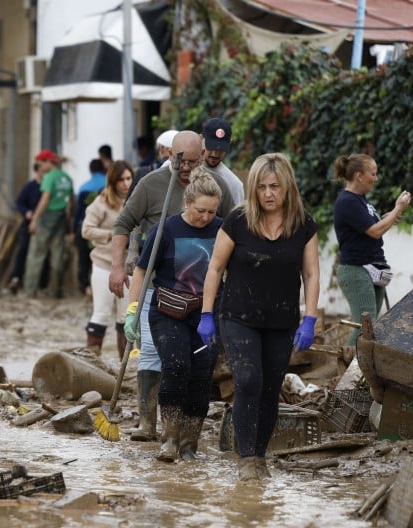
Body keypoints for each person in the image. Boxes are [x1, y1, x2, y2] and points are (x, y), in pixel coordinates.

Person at [199, 153, 320, 482]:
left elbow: (311, 274)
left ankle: (261, 454)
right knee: (249, 381)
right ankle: (247, 457)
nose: (268, 193)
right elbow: (215, 268)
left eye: (275, 187)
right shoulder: (238, 221)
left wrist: (309, 318)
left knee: (269, 389)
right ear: (253, 188)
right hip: (238, 316)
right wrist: (206, 313)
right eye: (262, 187)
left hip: (281, 321)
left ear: (287, 188)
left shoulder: (303, 226)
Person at [110, 130, 236, 441]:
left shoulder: (215, 186)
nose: (188, 166)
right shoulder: (152, 184)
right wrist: (117, 267)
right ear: (170, 155)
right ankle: (148, 423)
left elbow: (232, 228)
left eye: (195, 160)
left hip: (202, 293)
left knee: (194, 363)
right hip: (158, 282)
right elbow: (124, 223)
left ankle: (184, 430)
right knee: (153, 354)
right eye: (183, 160)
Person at [126, 168, 223, 462]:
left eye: (211, 212)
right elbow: (142, 270)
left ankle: (190, 443)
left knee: (202, 374)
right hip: (167, 311)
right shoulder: (166, 229)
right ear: (186, 202)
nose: (205, 217)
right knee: (177, 365)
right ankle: (169, 439)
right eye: (200, 210)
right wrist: (132, 311)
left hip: (205, 313)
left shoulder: (222, 230)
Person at [332, 153, 411, 345]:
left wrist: (392, 214)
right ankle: (349, 371)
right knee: (363, 327)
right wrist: (398, 209)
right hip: (356, 269)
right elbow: (375, 232)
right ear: (359, 175)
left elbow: (374, 227)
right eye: (373, 174)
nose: (375, 178)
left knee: (371, 326)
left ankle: (360, 371)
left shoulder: (360, 200)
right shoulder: (347, 201)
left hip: (371, 268)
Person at [81, 159, 134, 356]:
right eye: (121, 180)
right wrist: (111, 235)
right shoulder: (101, 203)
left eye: (129, 178)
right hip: (104, 263)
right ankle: (91, 360)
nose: (126, 183)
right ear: (113, 181)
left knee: (126, 315)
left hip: (129, 265)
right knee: (101, 313)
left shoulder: (136, 200)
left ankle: (126, 365)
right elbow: (86, 230)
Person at [24, 149, 74, 298]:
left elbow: (44, 200)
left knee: (36, 254)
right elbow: (72, 202)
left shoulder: (49, 177)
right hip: (61, 217)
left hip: (47, 218)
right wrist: (69, 220)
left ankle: (30, 291)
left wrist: (34, 220)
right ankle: (55, 291)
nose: (39, 167)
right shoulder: (67, 178)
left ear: (47, 162)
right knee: (57, 255)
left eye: (40, 163)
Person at [8, 163, 46, 293]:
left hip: (45, 225)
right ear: (36, 171)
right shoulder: (29, 187)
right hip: (28, 224)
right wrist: (27, 212)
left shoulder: (48, 187)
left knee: (42, 253)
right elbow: (19, 203)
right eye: (41, 171)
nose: (43, 174)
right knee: (23, 249)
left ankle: (42, 284)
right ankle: (16, 278)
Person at [73, 157, 107, 297]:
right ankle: (100, 289)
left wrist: (74, 229)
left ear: (90, 170)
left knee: (83, 259)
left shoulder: (83, 187)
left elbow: (78, 212)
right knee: (102, 260)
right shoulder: (108, 184)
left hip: (86, 228)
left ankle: (86, 287)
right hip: (105, 229)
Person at [201, 117, 244, 205]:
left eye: (221, 149)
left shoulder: (233, 184)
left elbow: (237, 217)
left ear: (230, 143)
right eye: (211, 146)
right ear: (201, 139)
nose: (215, 154)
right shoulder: (184, 168)